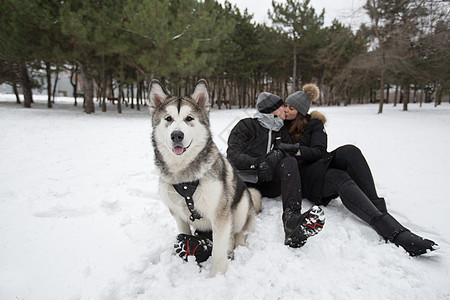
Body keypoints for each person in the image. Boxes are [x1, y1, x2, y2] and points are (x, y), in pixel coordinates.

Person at [277, 83, 439, 256]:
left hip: (318, 167)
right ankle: (394, 232)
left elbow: (319, 151)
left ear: (301, 111)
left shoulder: (314, 124)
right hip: (303, 178)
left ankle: (379, 211)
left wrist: (295, 148)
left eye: (291, 108)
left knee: (350, 151)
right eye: (285, 106)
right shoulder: (280, 126)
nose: (286, 110)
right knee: (338, 177)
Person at [173, 92, 325, 263]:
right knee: (228, 203)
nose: (285, 109)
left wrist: (278, 155)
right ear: (272, 109)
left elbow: (296, 146)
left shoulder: (283, 130)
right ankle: (205, 241)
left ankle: (292, 220)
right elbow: (233, 154)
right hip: (245, 182)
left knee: (290, 162)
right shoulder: (246, 126)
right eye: (282, 106)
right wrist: (257, 163)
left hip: (270, 181)